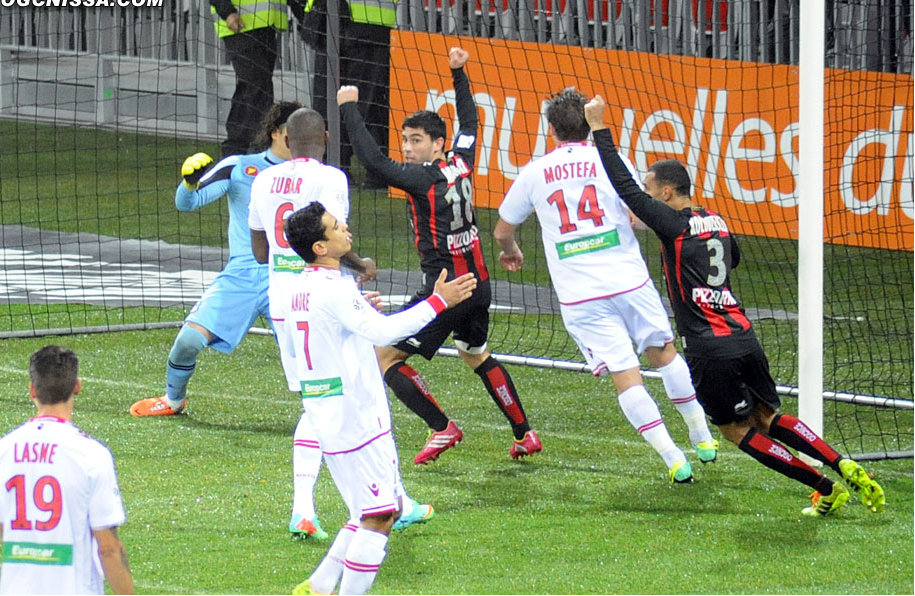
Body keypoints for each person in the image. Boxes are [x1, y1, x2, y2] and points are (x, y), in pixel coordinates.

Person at [583, 94, 886, 515]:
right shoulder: (719, 221)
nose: (647, 200)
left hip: (710, 347)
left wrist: (599, 128)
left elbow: (627, 189)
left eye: (654, 192)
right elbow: (734, 259)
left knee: (737, 431)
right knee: (769, 417)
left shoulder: (673, 225)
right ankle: (841, 461)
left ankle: (824, 486)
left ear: (667, 192)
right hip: (743, 334)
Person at [128, 102, 336, 540]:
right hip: (244, 275)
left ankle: (324, 421)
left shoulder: (319, 175)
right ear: (278, 133)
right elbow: (188, 203)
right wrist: (187, 181)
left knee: (315, 360)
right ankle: (174, 399)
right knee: (186, 342)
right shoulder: (241, 168)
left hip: (293, 277)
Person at [493, 88, 718, 483]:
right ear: (588, 123)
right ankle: (701, 437)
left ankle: (673, 460)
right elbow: (638, 211)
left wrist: (511, 250)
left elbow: (502, 230)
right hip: (629, 279)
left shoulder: (533, 172)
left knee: (624, 374)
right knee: (663, 353)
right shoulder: (611, 159)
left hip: (581, 294)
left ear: (551, 129)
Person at [339, 47, 543, 465]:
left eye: (416, 141)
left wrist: (349, 109)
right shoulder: (462, 161)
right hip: (480, 283)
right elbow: (469, 121)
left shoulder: (421, 178)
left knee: (384, 357)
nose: (408, 148)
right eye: (405, 140)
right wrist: (459, 72)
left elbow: (371, 160)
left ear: (437, 143)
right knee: (475, 354)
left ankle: (441, 427)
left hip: (447, 291)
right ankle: (525, 434)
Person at [248, 106, 434, 535]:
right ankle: (377, 502)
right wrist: (359, 264)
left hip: (285, 302)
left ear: (287, 143)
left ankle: (314, 507)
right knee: (356, 389)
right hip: (326, 293)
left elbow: (261, 251)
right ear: (327, 139)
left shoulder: (264, 181)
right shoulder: (331, 178)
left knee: (317, 396)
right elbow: (332, 236)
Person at [285, 202, 477, 596]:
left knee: (369, 510)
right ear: (320, 247)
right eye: (336, 227)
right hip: (352, 415)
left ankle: (319, 586)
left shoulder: (299, 286)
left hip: (335, 409)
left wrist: (356, 315)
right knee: (379, 515)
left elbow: (328, 330)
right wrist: (440, 301)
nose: (346, 229)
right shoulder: (336, 289)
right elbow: (386, 333)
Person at [0, 346, 134, 595]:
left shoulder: (1, 451)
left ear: (32, 389)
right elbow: (108, 548)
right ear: (77, 386)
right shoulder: (92, 455)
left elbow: (6, 532)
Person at [299, 0, 399, 187]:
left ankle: (376, 170)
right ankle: (335, 165)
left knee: (368, 106)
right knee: (326, 102)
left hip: (369, 30)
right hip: (328, 25)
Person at [201, 0, 293, 158]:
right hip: (240, 26)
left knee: (259, 88)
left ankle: (250, 146)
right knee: (254, 85)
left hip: (266, 26)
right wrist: (228, 12)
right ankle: (239, 147)